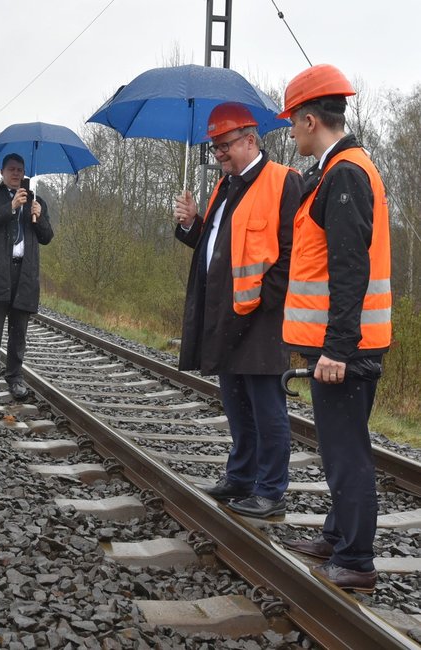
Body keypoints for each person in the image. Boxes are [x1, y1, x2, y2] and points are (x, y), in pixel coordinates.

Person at [277, 64, 391, 594]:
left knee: (346, 452)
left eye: (292, 125)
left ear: (308, 119)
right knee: (339, 445)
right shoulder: (335, 170)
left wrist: (337, 348)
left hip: (346, 346)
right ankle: (337, 534)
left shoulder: (345, 173)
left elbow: (350, 267)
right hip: (346, 342)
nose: (290, 133)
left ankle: (356, 561)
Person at [173, 102, 301, 518]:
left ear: (250, 139)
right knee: (236, 405)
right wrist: (193, 223)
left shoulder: (284, 181)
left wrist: (266, 299)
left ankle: (270, 491)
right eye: (214, 148)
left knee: (267, 409)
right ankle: (241, 477)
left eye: (224, 145)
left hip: (262, 320)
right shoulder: (225, 187)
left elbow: (292, 253)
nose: (219, 154)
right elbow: (218, 251)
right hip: (226, 317)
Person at [0, 153, 54, 402]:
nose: (16, 173)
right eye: (12, 169)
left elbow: (46, 237)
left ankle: (15, 379)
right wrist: (12, 206)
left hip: (23, 275)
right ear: (2, 173)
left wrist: (39, 216)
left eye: (20, 170)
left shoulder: (36, 202)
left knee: (19, 335)